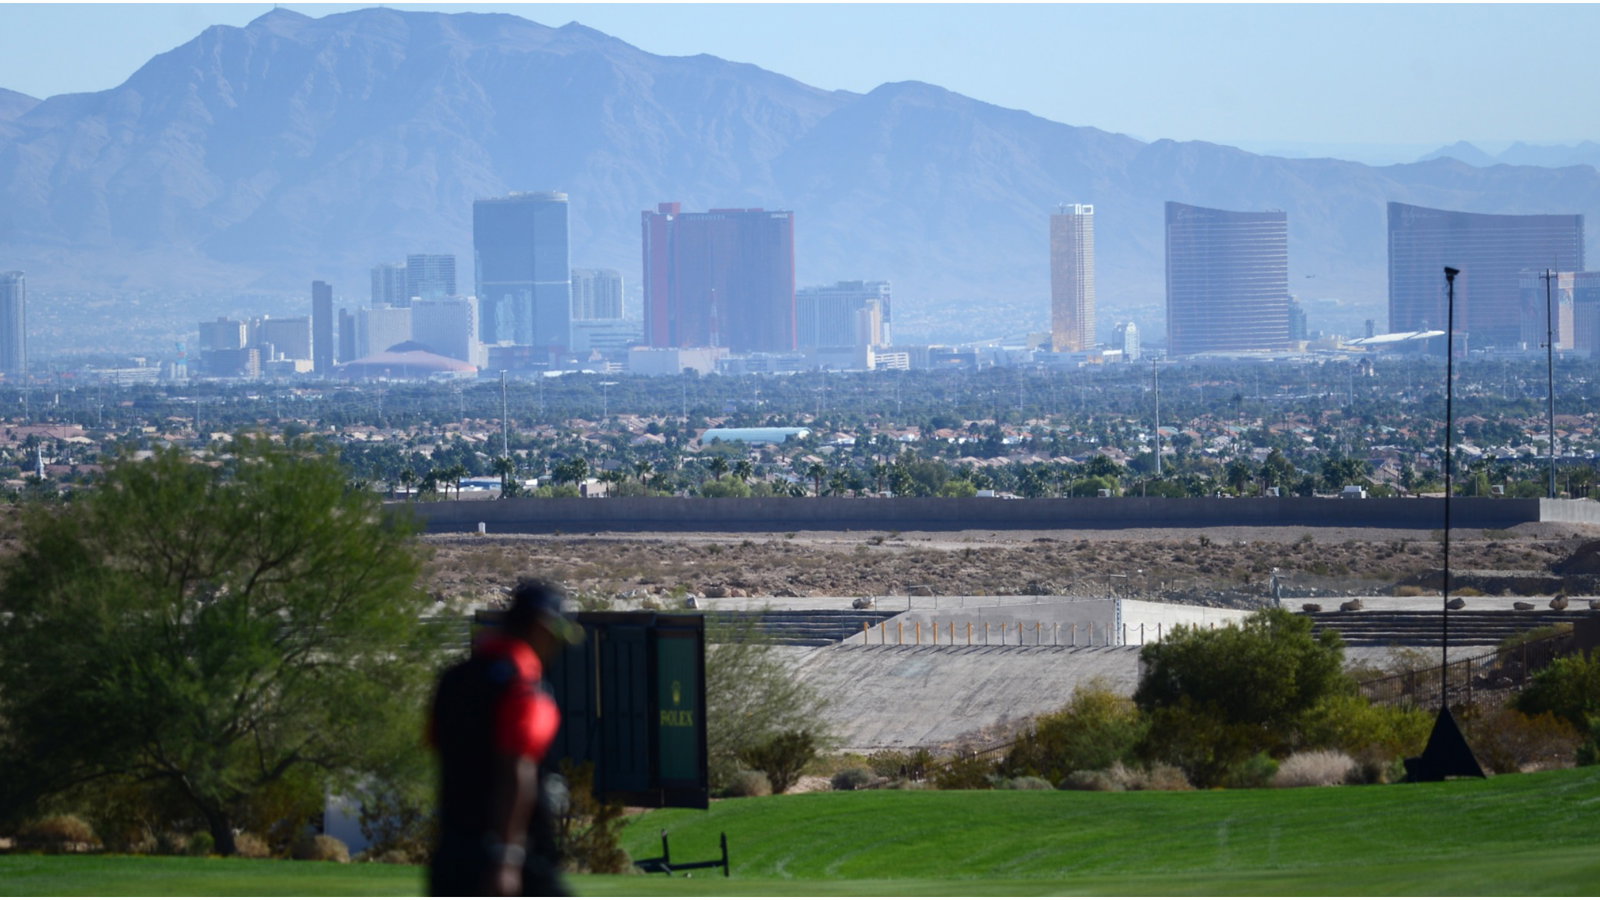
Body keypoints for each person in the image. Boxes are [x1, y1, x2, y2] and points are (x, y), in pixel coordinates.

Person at [428, 578, 582, 896]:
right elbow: (518, 768)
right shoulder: (523, 688)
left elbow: (437, 746)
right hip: (516, 857)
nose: (555, 648)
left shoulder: (453, 680)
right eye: (555, 637)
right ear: (540, 628)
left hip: (452, 850)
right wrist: (506, 858)